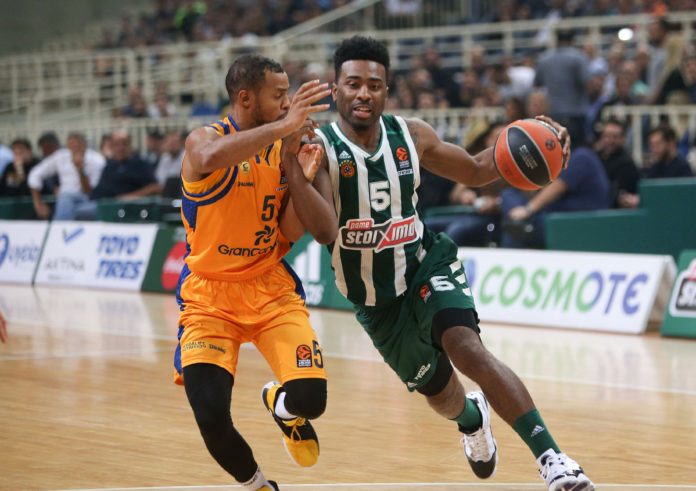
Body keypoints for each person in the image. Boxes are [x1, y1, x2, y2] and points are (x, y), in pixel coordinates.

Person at [284, 36, 595, 491]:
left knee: (467, 348)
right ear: (336, 89)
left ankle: (554, 459)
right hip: (377, 304)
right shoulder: (321, 148)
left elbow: (476, 170)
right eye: (353, 84)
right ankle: (472, 419)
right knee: (443, 395)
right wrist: (296, 168)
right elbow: (325, 231)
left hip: (425, 264)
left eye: (374, 85)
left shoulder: (411, 135)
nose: (364, 93)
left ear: (387, 90)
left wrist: (536, 140)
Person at [173, 54, 334, 491]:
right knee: (210, 416)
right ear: (246, 98)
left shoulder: (287, 146)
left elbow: (293, 231)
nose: (288, 104)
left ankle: (282, 408)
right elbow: (208, 156)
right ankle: (258, 486)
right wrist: (284, 129)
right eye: (278, 95)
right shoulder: (204, 139)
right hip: (209, 299)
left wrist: (297, 172)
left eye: (288, 95)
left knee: (311, 400)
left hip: (269, 289)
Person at [28, 133, 106, 220]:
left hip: (87, 200)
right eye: (71, 147)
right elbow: (35, 174)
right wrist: (38, 203)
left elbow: (90, 192)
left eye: (77, 146)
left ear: (84, 145)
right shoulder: (61, 156)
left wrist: (80, 170)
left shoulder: (97, 160)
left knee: (66, 196)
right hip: (65, 202)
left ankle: (59, 227)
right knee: (66, 200)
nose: (74, 150)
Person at [619, 124, 693, 208]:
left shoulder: (683, 168)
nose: (654, 149)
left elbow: (680, 200)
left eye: (658, 144)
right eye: (652, 145)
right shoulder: (655, 167)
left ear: (671, 143)